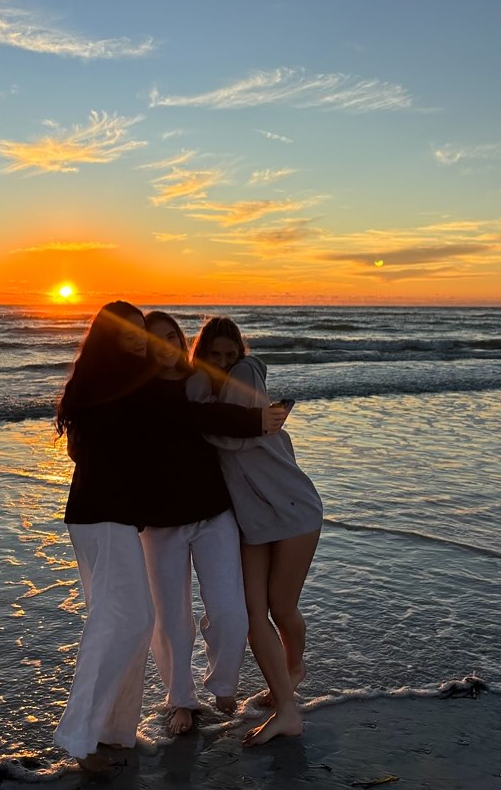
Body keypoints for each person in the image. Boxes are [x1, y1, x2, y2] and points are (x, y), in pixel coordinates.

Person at [53, 301, 289, 773]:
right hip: (102, 518)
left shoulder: (120, 380)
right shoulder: (118, 383)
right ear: (107, 337)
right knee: (118, 625)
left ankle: (112, 732)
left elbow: (181, 411)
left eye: (141, 330)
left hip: (117, 518)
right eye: (129, 331)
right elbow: (184, 412)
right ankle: (80, 740)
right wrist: (253, 422)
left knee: (134, 622)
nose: (138, 337)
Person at [190, 316, 323, 747]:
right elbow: (215, 420)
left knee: (281, 607)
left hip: (294, 510)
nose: (223, 363)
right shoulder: (209, 396)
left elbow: (237, 437)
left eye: (230, 354)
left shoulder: (247, 378)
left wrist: (201, 415)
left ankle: (294, 668)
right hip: (252, 520)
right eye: (214, 355)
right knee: (252, 614)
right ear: (201, 354)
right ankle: (287, 708)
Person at [139, 311, 248, 735]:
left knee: (229, 611)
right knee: (171, 620)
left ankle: (223, 683)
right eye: (155, 338)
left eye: (172, 336)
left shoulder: (202, 381)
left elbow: (233, 417)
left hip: (214, 511)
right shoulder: (136, 390)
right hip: (159, 520)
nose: (165, 345)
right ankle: (180, 700)